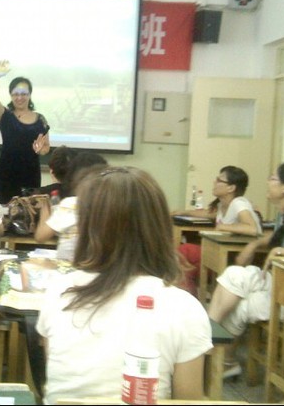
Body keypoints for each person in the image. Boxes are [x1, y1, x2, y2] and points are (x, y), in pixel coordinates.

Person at [37, 166, 212, 403]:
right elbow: (188, 400)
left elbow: (60, 381)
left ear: (88, 227)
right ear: (159, 227)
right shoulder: (185, 308)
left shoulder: (59, 291)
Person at [208, 161, 284, 378]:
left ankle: (210, 347)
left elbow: (277, 245)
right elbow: (273, 237)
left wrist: (281, 251)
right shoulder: (283, 214)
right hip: (277, 282)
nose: (268, 181)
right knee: (234, 276)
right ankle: (214, 346)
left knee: (241, 302)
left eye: (273, 178)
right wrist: (254, 245)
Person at [172, 166, 262, 295]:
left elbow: (252, 228)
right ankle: (189, 297)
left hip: (236, 256)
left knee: (184, 251)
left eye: (219, 180)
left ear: (231, 188)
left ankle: (188, 296)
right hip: (221, 252)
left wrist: (223, 227)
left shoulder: (239, 203)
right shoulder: (222, 204)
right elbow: (207, 213)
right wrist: (183, 212)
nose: (214, 182)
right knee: (185, 265)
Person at [0, 60, 50, 204]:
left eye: (24, 93)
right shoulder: (5, 116)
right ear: (11, 95)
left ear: (29, 95)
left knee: (29, 211)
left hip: (31, 175)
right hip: (6, 175)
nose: (20, 97)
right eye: (15, 94)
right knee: (2, 211)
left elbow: (46, 147)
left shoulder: (40, 119)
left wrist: (41, 150)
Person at [34, 151, 107, 261]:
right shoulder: (110, 205)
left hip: (69, 265)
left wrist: (45, 206)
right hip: (100, 264)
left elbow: (40, 237)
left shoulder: (70, 204)